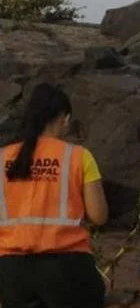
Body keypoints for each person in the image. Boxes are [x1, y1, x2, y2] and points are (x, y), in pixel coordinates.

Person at [0, 83, 109, 307]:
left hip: (11, 270)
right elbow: (99, 216)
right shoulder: (79, 156)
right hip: (68, 267)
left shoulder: (3, 157)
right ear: (65, 118)